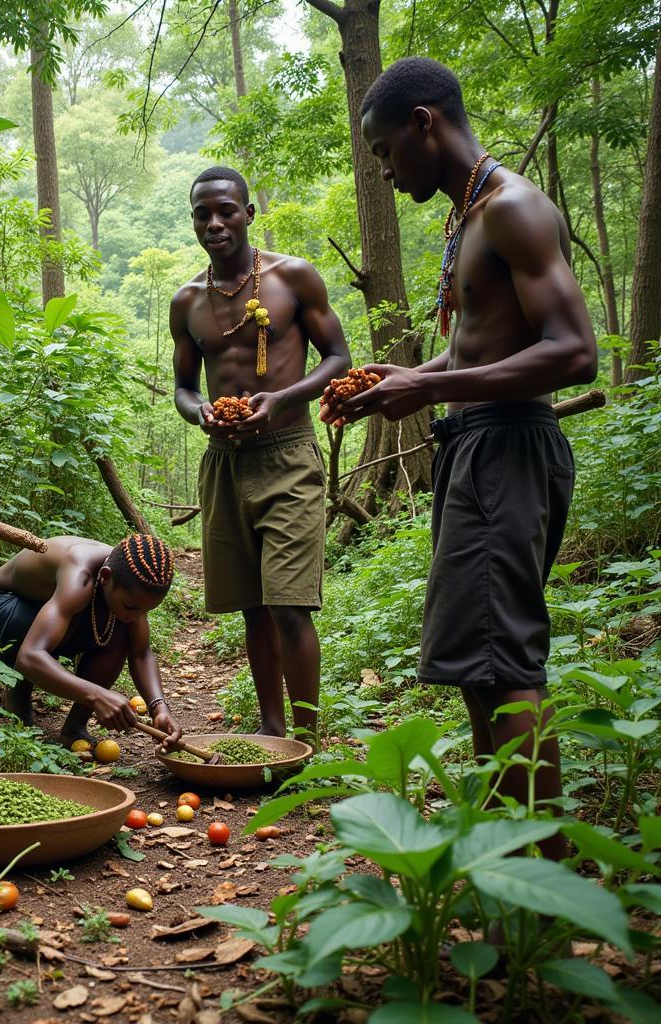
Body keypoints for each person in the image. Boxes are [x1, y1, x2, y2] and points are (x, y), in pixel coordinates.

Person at [320, 57, 597, 868]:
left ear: (423, 124)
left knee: (505, 661)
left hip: (509, 446)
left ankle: (536, 886)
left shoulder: (513, 209)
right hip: (473, 447)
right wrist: (400, 384)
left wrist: (436, 384)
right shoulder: (466, 217)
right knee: (479, 663)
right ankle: (500, 855)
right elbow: (479, 348)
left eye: (381, 150)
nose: (381, 167)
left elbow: (574, 352)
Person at [171, 166, 350, 740]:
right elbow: (183, 386)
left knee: (290, 604)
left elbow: (337, 358)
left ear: (249, 213)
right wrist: (198, 409)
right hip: (224, 464)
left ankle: (307, 739)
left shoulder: (292, 278)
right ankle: (273, 735)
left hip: (288, 454)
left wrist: (283, 399)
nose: (214, 222)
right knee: (253, 606)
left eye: (226, 210)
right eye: (203, 213)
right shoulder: (187, 301)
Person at [0, 534, 182, 750]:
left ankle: (74, 729)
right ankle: (18, 694)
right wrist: (98, 696)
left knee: (121, 632)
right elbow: (30, 656)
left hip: (47, 615)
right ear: (105, 577)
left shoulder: (131, 581)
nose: (137, 617)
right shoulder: (80, 573)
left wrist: (159, 707)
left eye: (146, 611)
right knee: (40, 626)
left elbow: (141, 653)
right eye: (131, 607)